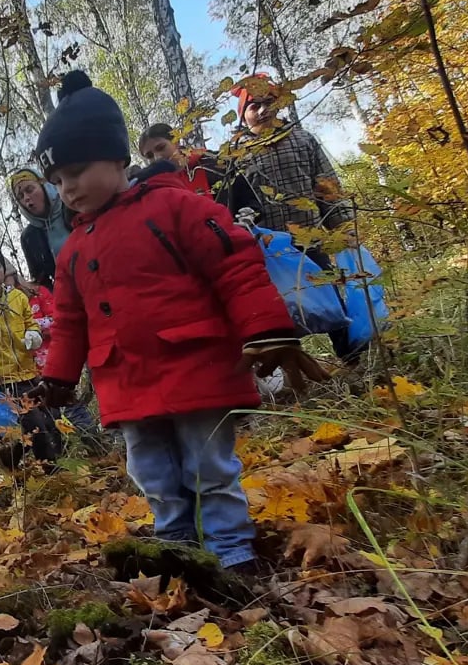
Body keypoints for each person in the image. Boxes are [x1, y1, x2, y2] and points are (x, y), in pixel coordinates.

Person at [31, 70, 327, 572]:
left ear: (117, 158)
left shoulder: (175, 206)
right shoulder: (74, 250)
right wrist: (58, 376)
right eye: (57, 181)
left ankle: (231, 550)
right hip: (125, 378)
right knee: (150, 470)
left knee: (209, 463)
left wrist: (265, 327)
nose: (68, 189)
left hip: (195, 364)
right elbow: (70, 319)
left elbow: (233, 263)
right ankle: (177, 547)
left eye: (76, 171)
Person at [230, 75, 356, 360]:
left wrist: (343, 227)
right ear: (243, 114)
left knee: (330, 295)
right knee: (279, 307)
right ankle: (291, 367)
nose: (263, 110)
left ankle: (353, 358)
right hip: (268, 249)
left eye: (268, 102)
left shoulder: (302, 139)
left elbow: (327, 187)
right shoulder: (235, 155)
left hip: (311, 238)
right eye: (254, 106)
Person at [0, 244, 63, 468]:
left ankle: (10, 457)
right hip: (3, 380)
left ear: (3, 269)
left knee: (46, 420)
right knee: (36, 426)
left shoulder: (18, 297)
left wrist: (34, 334)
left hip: (29, 371)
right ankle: (52, 471)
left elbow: (30, 323)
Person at [6, 267, 109, 454]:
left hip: (55, 363)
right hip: (30, 369)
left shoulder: (38, 293)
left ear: (13, 276)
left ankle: (97, 447)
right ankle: (61, 457)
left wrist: (32, 327)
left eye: (5, 277)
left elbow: (57, 320)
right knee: (48, 417)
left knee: (70, 406)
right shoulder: (5, 307)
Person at [138, 122, 262, 214]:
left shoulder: (214, 163)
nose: (157, 157)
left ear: (176, 141)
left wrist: (244, 219)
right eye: (149, 156)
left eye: (161, 148)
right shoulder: (154, 189)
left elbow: (252, 204)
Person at [9, 166, 72, 286]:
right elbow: (41, 282)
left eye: (30, 190)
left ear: (44, 186)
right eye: (20, 197)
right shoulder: (29, 237)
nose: (26, 198)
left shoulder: (72, 207)